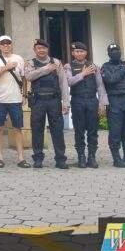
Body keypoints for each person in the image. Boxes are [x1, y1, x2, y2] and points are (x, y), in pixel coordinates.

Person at [23, 39, 70, 169]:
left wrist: (66, 102)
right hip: (38, 101)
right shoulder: (31, 63)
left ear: (47, 49)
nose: (41, 50)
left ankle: (60, 159)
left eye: (44, 48)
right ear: (35, 50)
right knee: (37, 130)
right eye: (39, 48)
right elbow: (29, 76)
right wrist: (46, 69)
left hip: (54, 100)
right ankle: (38, 159)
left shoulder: (56, 62)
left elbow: (63, 83)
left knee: (57, 131)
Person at [63, 42, 108, 168]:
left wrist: (102, 103)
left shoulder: (94, 66)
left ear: (86, 53)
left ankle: (92, 157)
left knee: (93, 130)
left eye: (82, 51)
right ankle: (81, 157)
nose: (79, 53)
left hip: (92, 101)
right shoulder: (68, 66)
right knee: (79, 130)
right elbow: (69, 81)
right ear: (73, 53)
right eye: (77, 51)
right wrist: (83, 74)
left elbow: (100, 86)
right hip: (77, 101)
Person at [0, 35, 29, 168]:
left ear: (11, 45)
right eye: (3, 44)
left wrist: (24, 94)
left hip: (15, 99)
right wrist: (6, 67)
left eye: (8, 43)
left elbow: (24, 78)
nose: (5, 46)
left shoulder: (19, 58)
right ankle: (0, 157)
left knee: (18, 128)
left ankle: (21, 158)